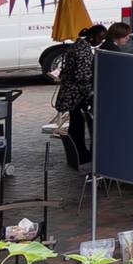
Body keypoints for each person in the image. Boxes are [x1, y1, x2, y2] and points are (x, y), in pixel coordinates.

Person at [53, 27, 100, 173]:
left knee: (76, 123)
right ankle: (80, 154)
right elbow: (82, 75)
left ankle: (79, 153)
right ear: (92, 36)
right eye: (100, 37)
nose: (101, 40)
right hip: (76, 93)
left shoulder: (78, 45)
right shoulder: (83, 49)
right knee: (77, 125)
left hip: (73, 91)